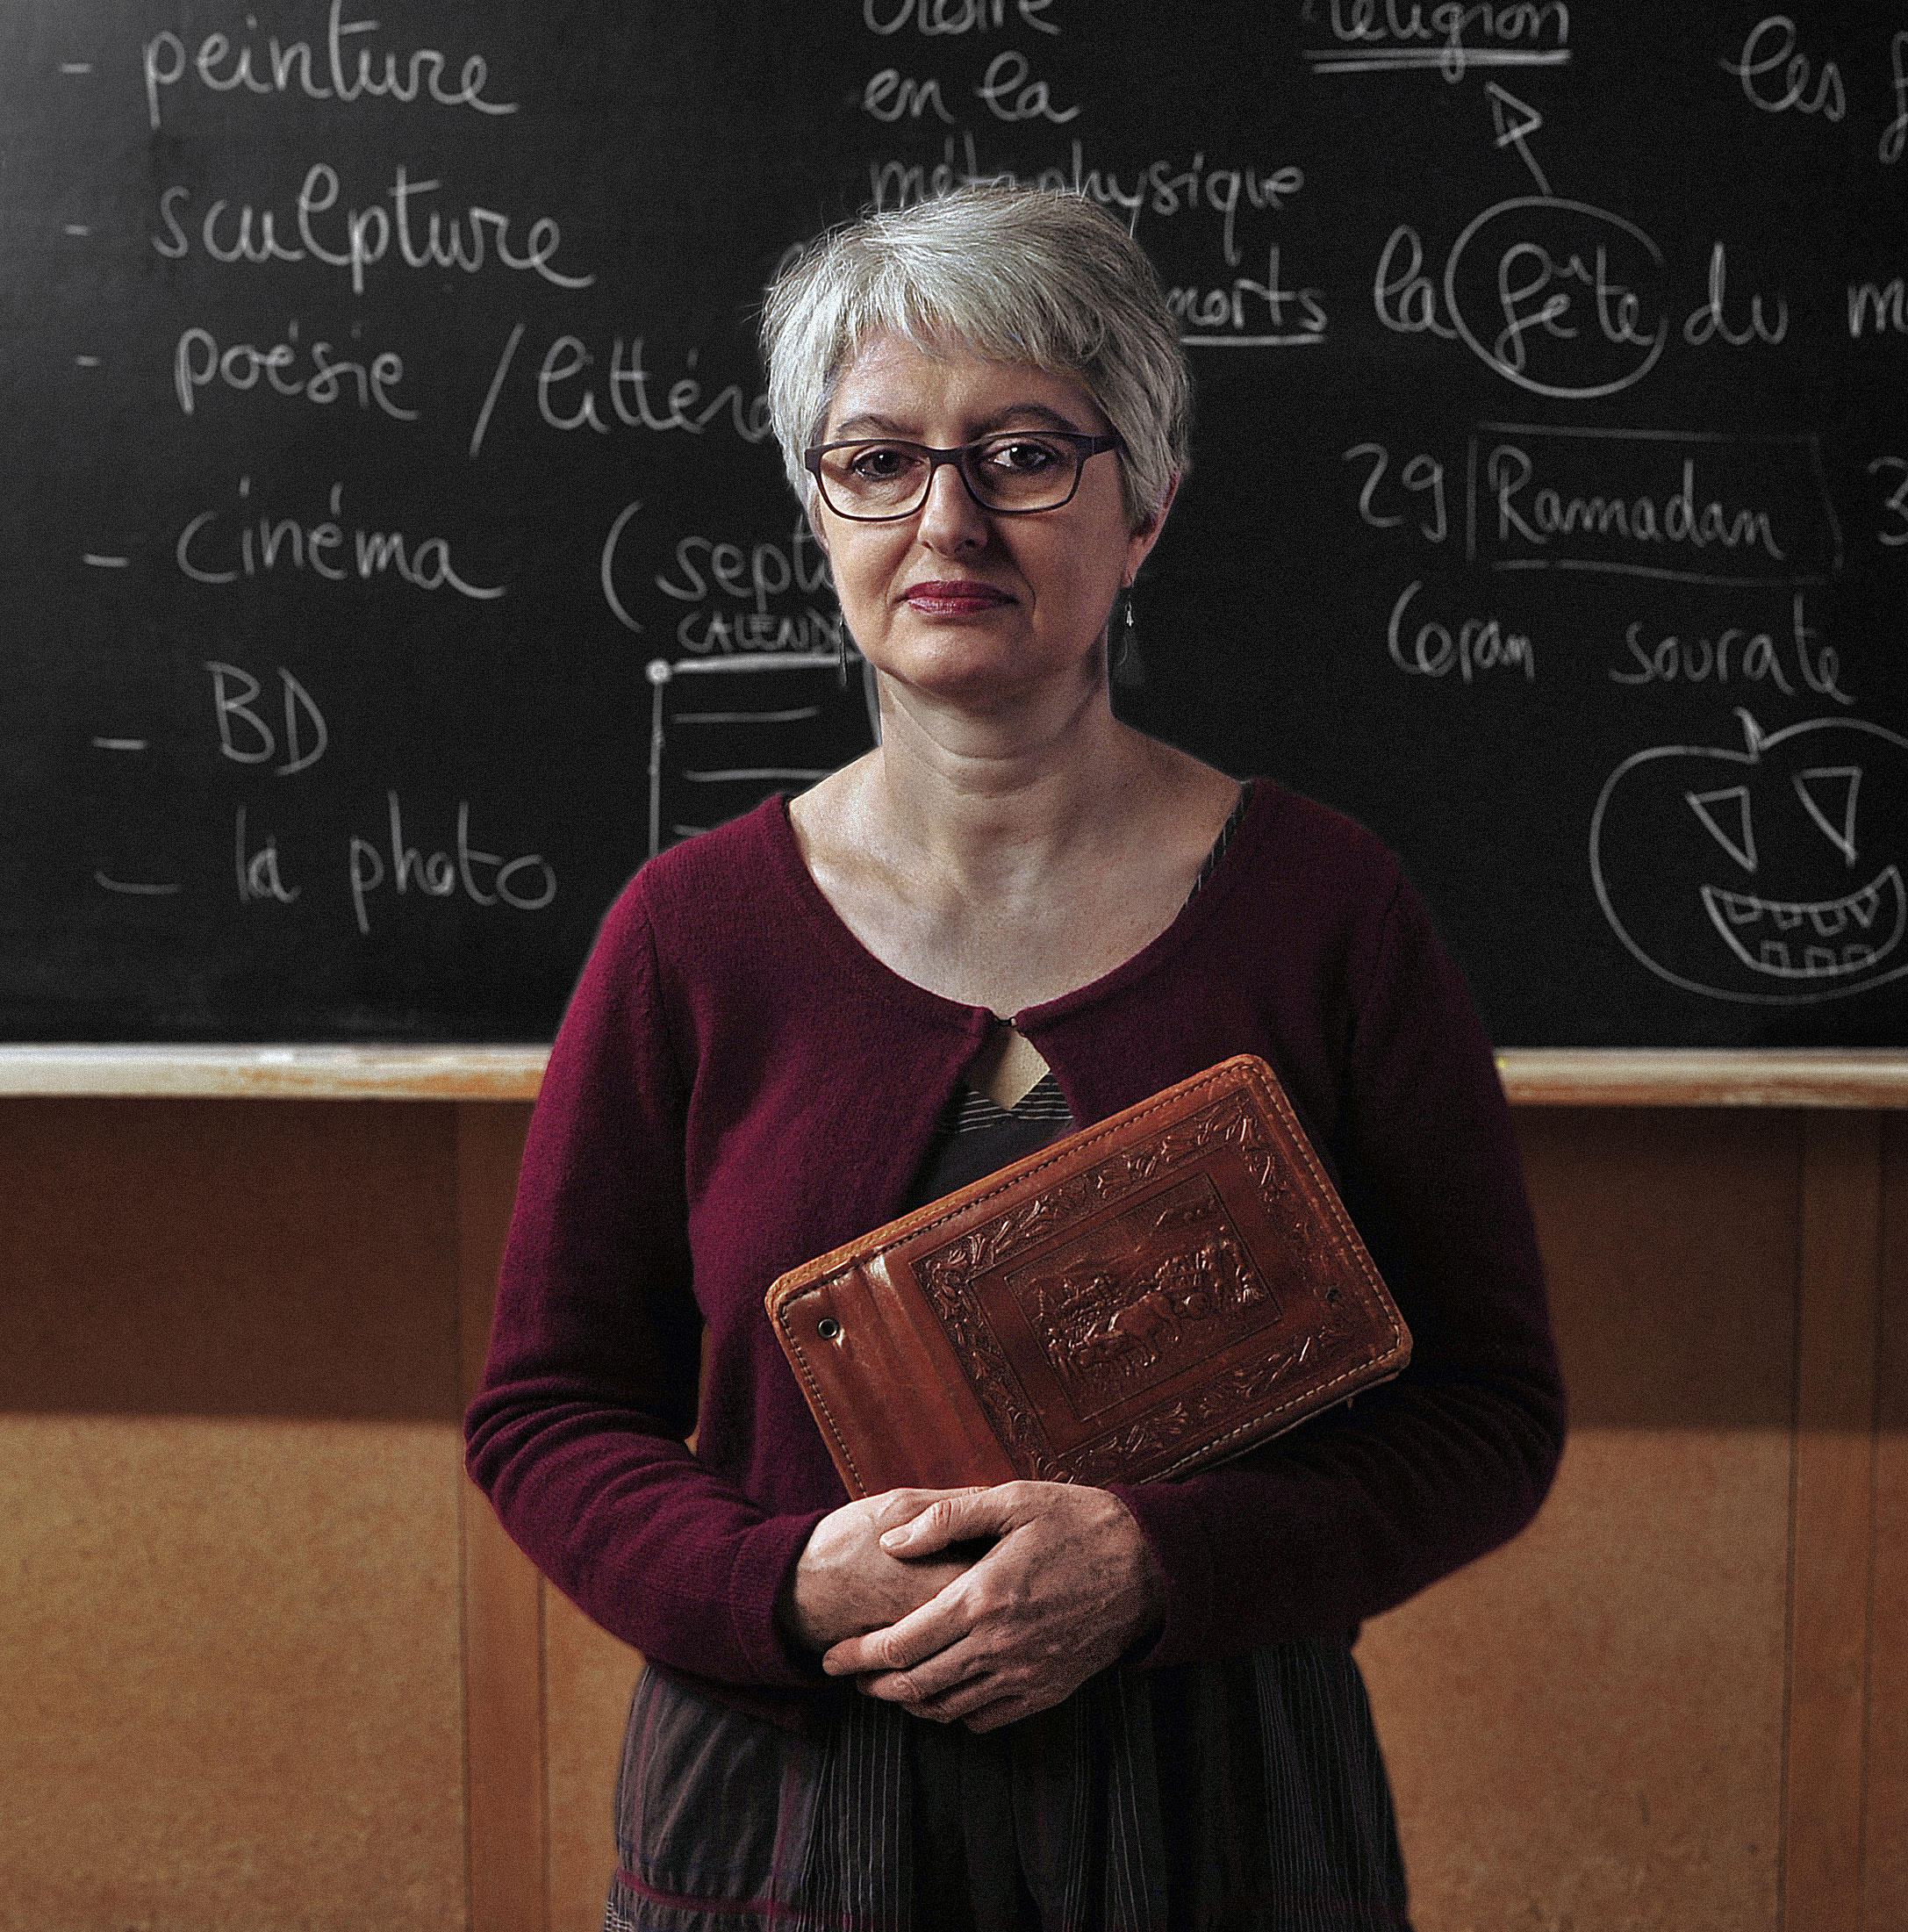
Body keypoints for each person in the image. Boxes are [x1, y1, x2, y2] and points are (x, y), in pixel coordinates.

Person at [464, 186, 1564, 1931]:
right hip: (783, 1829)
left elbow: (1487, 1418)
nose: (948, 517)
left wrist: (1157, 1567)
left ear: (1147, 512)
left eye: (1026, 453)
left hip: (1224, 1825)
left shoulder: (1328, 914)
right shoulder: (690, 937)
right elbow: (545, 1418)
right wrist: (777, 1585)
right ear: (818, 510)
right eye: (879, 460)